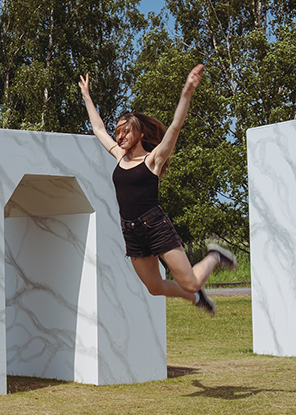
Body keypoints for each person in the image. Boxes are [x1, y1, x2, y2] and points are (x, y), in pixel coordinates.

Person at [79, 64, 236, 315]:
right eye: (118, 133)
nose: (119, 137)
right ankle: (196, 298)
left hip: (155, 227)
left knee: (191, 280)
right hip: (131, 231)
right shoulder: (120, 156)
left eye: (125, 132)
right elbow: (99, 129)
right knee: (154, 287)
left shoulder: (153, 160)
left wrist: (187, 91)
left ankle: (214, 256)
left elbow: (175, 126)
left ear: (139, 134)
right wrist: (87, 96)